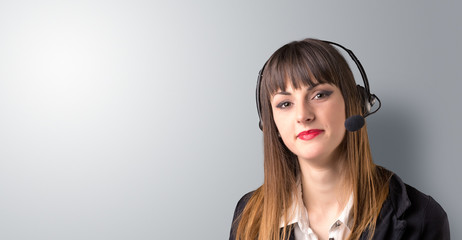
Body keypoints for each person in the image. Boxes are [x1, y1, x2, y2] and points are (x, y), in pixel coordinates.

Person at [229, 38, 449, 240]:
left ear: (354, 103)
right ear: (270, 124)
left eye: (319, 95)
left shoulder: (423, 217)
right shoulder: (249, 216)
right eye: (285, 104)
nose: (303, 115)